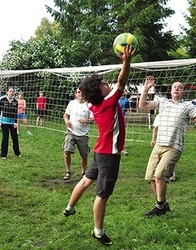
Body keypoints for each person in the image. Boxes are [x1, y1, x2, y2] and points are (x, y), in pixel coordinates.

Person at [61, 45, 136, 246]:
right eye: (103, 83)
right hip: (109, 155)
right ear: (99, 92)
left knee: (85, 181)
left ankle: (69, 207)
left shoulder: (94, 104)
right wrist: (126, 61)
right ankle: (98, 232)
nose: (106, 82)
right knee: (102, 195)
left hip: (99, 151)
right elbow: (122, 80)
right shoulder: (108, 102)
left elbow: (107, 88)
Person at [138, 76, 196, 217]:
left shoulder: (187, 106)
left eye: (180, 87)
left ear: (183, 92)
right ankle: (162, 204)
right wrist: (146, 89)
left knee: (159, 176)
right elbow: (142, 106)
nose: (177, 89)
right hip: (158, 145)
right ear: (171, 91)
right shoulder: (163, 102)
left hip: (174, 146)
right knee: (151, 178)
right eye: (174, 87)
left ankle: (160, 207)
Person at [62, 88, 93, 180]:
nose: (80, 94)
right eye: (78, 92)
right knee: (67, 150)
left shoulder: (88, 105)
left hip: (83, 134)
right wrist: (66, 120)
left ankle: (83, 173)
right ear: (76, 94)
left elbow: (93, 119)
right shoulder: (72, 103)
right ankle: (68, 172)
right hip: (71, 131)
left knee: (84, 155)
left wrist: (86, 120)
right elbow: (65, 115)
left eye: (82, 92)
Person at [151, 114, 176, 182]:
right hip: (160, 141)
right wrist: (153, 139)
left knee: (170, 159)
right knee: (159, 158)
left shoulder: (173, 116)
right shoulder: (159, 116)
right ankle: (159, 175)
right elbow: (155, 128)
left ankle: (172, 174)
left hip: (171, 140)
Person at [0, 87, 21, 159]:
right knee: (5, 138)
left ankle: (17, 153)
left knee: (15, 137)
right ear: (7, 92)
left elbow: (15, 113)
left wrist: (15, 122)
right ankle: (3, 154)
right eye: (10, 91)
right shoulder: (2, 100)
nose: (12, 93)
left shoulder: (15, 101)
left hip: (12, 122)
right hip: (4, 121)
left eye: (12, 91)